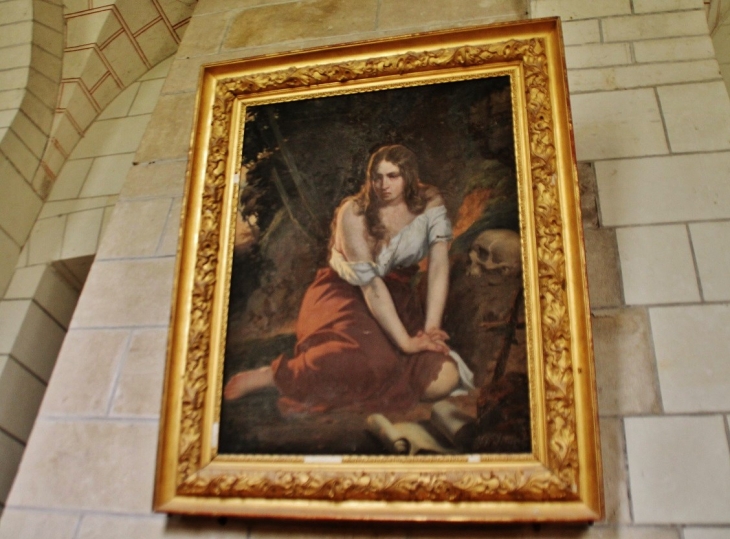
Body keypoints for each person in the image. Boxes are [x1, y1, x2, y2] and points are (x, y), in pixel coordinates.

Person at [224, 144, 473, 413]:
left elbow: (438, 264)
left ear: (409, 177)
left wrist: (432, 329)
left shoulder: (429, 201)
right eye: (377, 177)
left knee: (443, 377)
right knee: (371, 362)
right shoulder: (353, 212)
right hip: (343, 293)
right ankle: (273, 375)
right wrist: (406, 342)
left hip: (397, 300)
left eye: (393, 176)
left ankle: (383, 363)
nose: (383, 185)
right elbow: (371, 286)